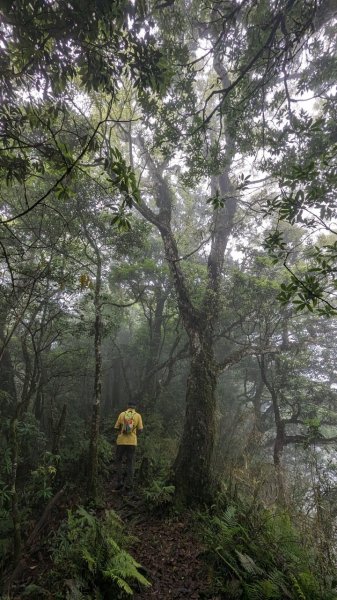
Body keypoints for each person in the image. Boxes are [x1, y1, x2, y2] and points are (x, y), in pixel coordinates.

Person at [114, 401, 143, 492]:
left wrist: (121, 433)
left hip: (121, 441)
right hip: (132, 442)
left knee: (119, 460)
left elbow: (116, 427)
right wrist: (135, 435)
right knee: (130, 463)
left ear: (127, 406)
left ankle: (119, 482)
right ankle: (129, 485)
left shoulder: (122, 414)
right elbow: (141, 429)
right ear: (135, 407)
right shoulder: (138, 416)